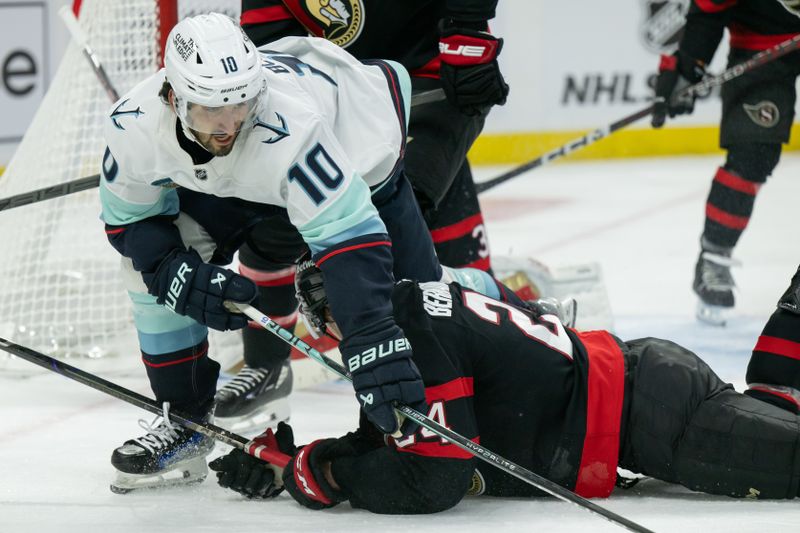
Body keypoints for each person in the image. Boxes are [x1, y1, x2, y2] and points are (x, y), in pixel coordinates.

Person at [99, 13, 514, 493]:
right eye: (212, 112)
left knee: (419, 300)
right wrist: (169, 266)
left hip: (359, 149)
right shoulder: (132, 125)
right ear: (173, 99)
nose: (229, 127)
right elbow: (130, 221)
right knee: (146, 274)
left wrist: (372, 340)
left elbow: (350, 243)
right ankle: (184, 421)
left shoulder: (289, 127)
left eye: (241, 107)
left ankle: (513, 311)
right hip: (237, 187)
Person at [208, 258, 800, 513]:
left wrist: (321, 477)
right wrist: (304, 461)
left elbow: (435, 479)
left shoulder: (411, 336)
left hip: (656, 415)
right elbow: (397, 435)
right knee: (777, 412)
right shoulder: (405, 312)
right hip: (646, 395)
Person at [214, 0, 510, 427]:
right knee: (271, 227)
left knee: (404, 239)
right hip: (331, 104)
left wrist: (467, 37)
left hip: (424, 87)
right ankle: (266, 365)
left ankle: (505, 325)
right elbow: (268, 48)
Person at [651, 0, 800, 326]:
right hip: (764, 45)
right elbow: (708, 13)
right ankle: (714, 255)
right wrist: (687, 67)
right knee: (753, 153)